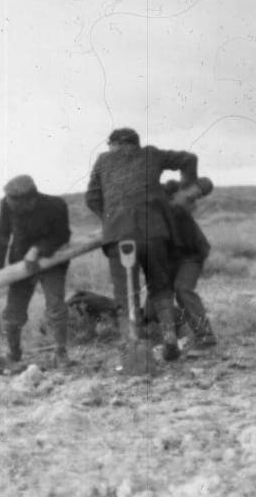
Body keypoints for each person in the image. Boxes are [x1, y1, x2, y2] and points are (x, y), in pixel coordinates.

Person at [85, 127, 199, 361]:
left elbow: (92, 198)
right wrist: (187, 190)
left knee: (125, 293)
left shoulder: (104, 161)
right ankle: (169, 336)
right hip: (154, 232)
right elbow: (189, 159)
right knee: (160, 287)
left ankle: (132, 343)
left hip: (118, 236)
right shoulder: (151, 154)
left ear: (114, 144)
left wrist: (111, 220)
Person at [0, 175, 72, 367]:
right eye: (11, 203)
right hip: (21, 264)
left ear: (31, 199)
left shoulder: (56, 205)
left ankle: (61, 353)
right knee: (13, 313)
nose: (15, 208)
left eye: (19, 205)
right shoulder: (8, 203)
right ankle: (13, 353)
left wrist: (37, 250)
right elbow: (2, 232)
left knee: (56, 308)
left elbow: (62, 235)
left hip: (52, 262)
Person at [162, 178, 217, 348]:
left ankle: (205, 335)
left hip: (191, 255)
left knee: (183, 289)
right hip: (170, 259)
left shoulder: (175, 202)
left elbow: (204, 185)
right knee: (156, 302)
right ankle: (179, 328)